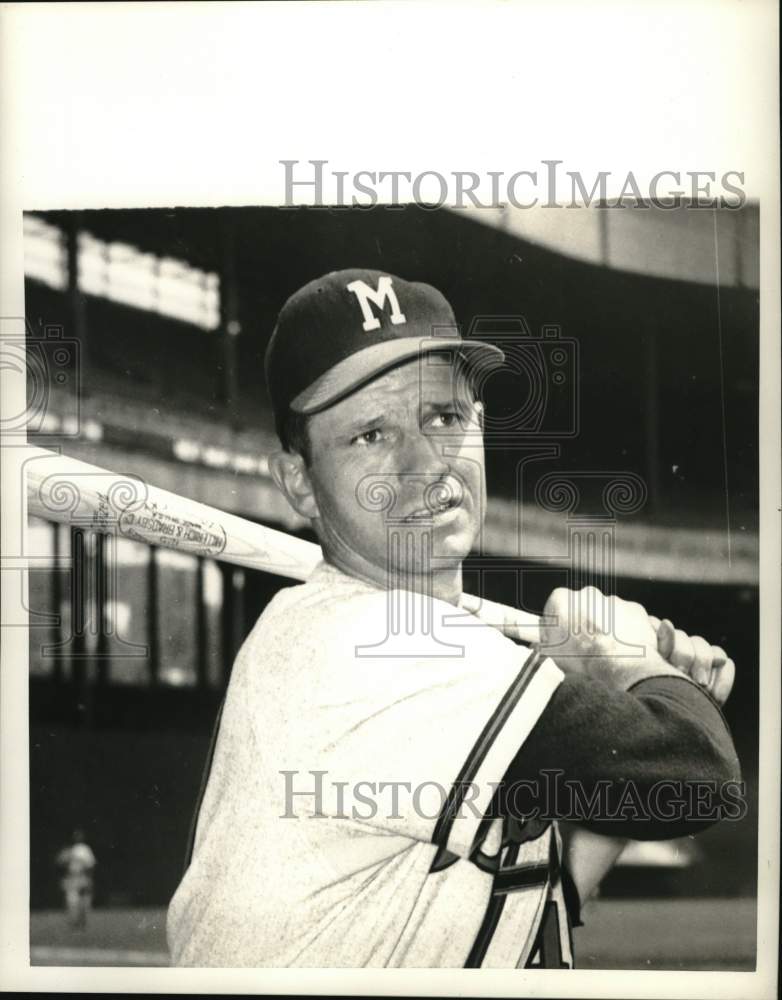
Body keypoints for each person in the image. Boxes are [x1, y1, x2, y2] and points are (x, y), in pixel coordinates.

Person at [167, 269, 740, 968]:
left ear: (480, 430)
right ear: (299, 484)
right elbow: (694, 776)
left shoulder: (447, 655)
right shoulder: (356, 647)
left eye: (444, 418)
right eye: (370, 434)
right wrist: (634, 667)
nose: (425, 463)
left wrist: (634, 684)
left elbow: (543, 898)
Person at [55, 827, 96, 929]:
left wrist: (89, 877)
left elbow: (91, 864)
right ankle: (74, 922)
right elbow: (59, 862)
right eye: (76, 835)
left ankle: (82, 922)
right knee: (72, 900)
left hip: (82, 876)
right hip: (71, 877)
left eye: (79, 835)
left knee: (83, 901)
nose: (77, 837)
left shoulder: (85, 849)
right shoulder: (68, 849)